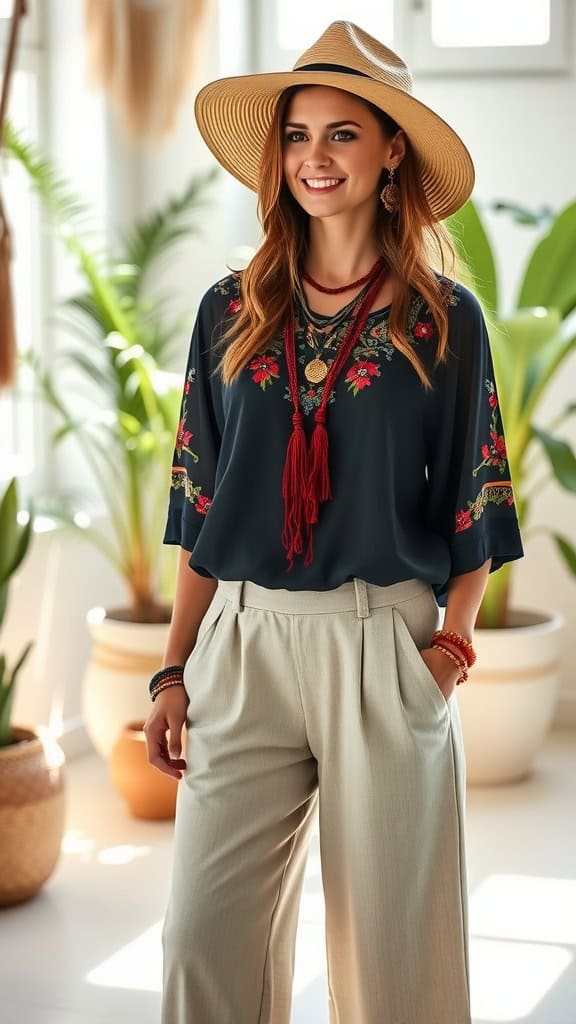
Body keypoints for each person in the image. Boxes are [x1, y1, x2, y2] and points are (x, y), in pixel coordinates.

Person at [144, 20, 524, 1024]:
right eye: (298, 135)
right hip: (246, 641)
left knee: (397, 966)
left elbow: (475, 497)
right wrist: (174, 667)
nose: (315, 157)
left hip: (382, 643)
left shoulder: (447, 317)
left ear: (391, 148)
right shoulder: (230, 308)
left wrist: (449, 643)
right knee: (201, 943)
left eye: (342, 134)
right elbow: (200, 499)